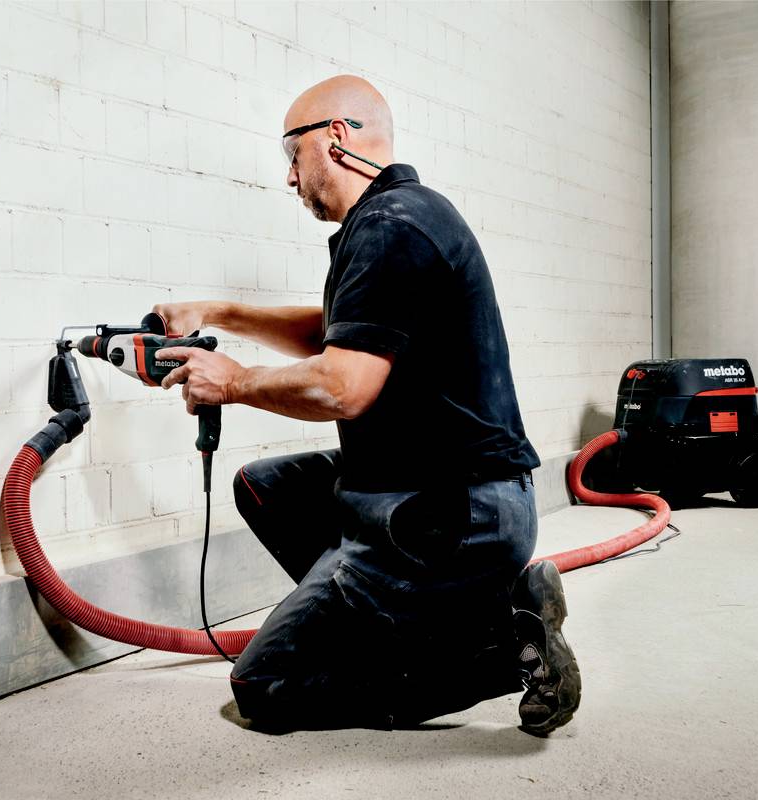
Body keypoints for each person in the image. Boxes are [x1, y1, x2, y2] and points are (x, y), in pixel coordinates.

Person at [153, 75, 580, 736]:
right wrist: (217, 312)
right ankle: (400, 626)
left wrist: (233, 383)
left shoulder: (390, 224)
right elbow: (340, 330)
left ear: (335, 139)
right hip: (436, 491)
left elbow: (344, 387)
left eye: (291, 156)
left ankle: (504, 646)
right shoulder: (401, 217)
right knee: (264, 487)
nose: (290, 179)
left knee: (263, 686)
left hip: (454, 516)